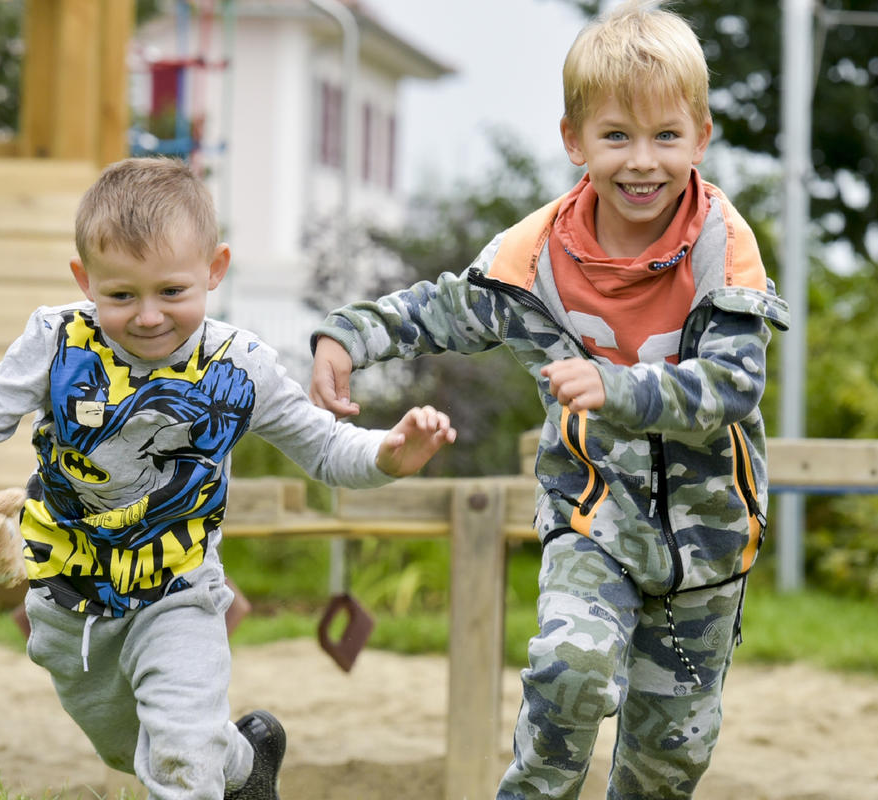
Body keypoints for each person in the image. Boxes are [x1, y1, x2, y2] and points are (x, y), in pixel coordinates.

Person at [309, 2, 790, 798]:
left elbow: (734, 384)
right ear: (574, 141)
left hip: (707, 541)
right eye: (616, 136)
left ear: (701, 138)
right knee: (570, 671)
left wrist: (619, 385)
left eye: (667, 136)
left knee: (667, 763)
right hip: (590, 516)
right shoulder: (534, 260)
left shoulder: (721, 248)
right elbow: (444, 309)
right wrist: (347, 336)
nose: (643, 161)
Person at [0, 156, 456, 800]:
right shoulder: (55, 340)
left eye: (172, 292)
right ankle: (247, 764)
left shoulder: (240, 366)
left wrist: (387, 455)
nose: (148, 316)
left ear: (214, 269)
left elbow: (323, 448)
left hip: (181, 592)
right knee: (133, 749)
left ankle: (207, 763)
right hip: (66, 599)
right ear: (84, 279)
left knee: (179, 758)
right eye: (121, 295)